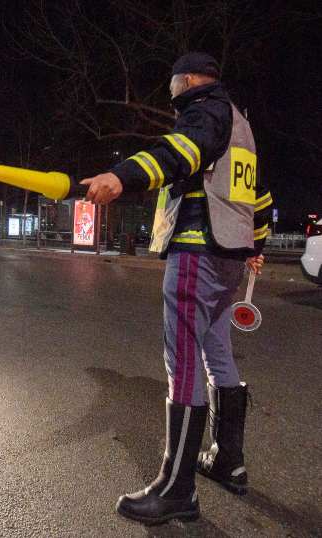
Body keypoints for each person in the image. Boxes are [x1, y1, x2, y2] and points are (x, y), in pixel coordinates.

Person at [79, 52, 273, 525]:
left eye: (172, 85)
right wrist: (254, 247)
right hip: (228, 258)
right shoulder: (240, 123)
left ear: (186, 80)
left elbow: (181, 153)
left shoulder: (204, 111)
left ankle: (176, 489)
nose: (170, 95)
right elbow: (259, 198)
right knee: (217, 353)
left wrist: (119, 176)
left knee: (182, 360)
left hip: (197, 252)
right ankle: (229, 462)